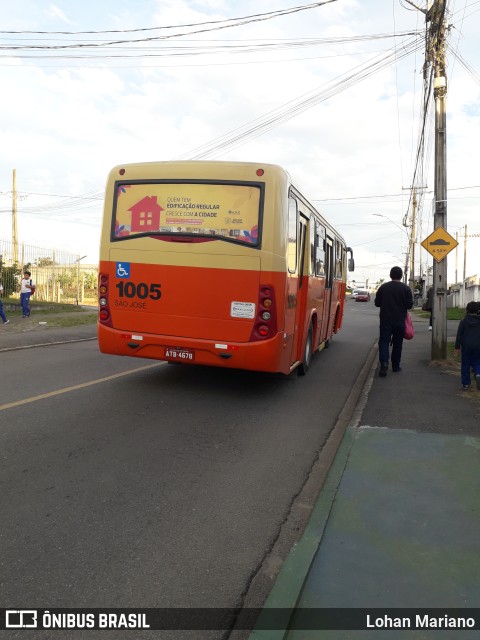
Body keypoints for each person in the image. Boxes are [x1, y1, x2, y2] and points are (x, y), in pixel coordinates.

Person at [374, 266, 413, 377]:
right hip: (400, 321)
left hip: (385, 320)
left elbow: (377, 303)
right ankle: (396, 366)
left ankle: (384, 363)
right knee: (398, 343)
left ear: (390, 275)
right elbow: (409, 305)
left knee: (384, 342)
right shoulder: (406, 289)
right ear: (401, 276)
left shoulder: (383, 287)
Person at [454, 301, 480, 391]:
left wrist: (457, 347)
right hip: (478, 346)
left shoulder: (464, 321)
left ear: (467, 310)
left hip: (466, 346)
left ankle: (466, 384)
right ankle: (478, 373)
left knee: (465, 364)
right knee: (477, 362)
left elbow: (459, 335)